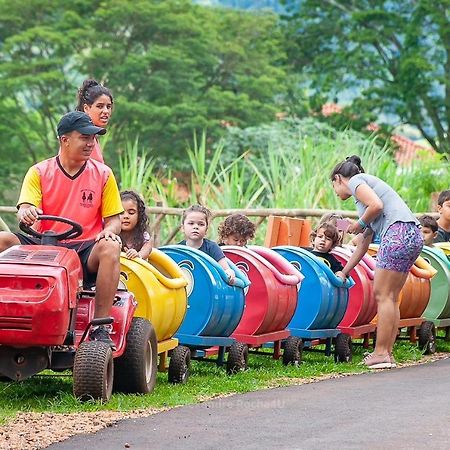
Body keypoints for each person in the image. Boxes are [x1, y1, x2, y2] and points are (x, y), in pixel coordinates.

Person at [0, 111, 123, 348]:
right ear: (64, 139)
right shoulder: (39, 172)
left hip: (84, 249)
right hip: (43, 246)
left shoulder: (103, 174)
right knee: (2, 240)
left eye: (93, 138)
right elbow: (26, 206)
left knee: (110, 246)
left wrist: (110, 230)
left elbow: (114, 220)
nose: (90, 143)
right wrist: (26, 212)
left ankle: (100, 325)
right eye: (84, 137)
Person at [330, 155, 423, 369]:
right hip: (411, 234)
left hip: (397, 233)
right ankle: (387, 353)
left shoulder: (355, 181)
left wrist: (358, 224)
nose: (335, 192)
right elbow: (364, 243)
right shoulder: (363, 198)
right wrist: (345, 271)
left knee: (383, 295)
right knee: (391, 298)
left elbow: (377, 205)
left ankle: (380, 352)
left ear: (338, 178)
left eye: (333, 186)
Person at [179, 204, 235, 283]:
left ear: (206, 230)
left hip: (208, 287)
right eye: (191, 223)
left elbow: (226, 269)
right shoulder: (178, 249)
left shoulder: (212, 247)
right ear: (182, 228)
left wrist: (229, 273)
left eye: (201, 224)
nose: (196, 227)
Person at [75, 79, 114, 163]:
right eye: (100, 106)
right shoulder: (78, 137)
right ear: (86, 108)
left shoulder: (92, 137)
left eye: (108, 106)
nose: (106, 111)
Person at [120, 190, 153, 259]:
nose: (126, 216)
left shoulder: (143, 236)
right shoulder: (113, 235)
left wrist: (138, 255)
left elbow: (147, 249)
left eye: (131, 213)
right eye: (121, 213)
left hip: (137, 268)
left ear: (139, 215)